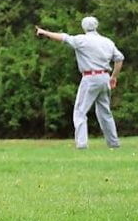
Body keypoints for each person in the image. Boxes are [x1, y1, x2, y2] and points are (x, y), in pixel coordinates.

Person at [35, 17, 124, 149]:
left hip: (90, 78)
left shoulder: (81, 40)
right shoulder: (107, 42)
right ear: (96, 26)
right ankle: (113, 143)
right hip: (105, 77)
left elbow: (63, 37)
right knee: (105, 113)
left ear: (83, 27)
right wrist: (113, 77)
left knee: (80, 112)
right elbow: (119, 58)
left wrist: (45, 33)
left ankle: (82, 144)